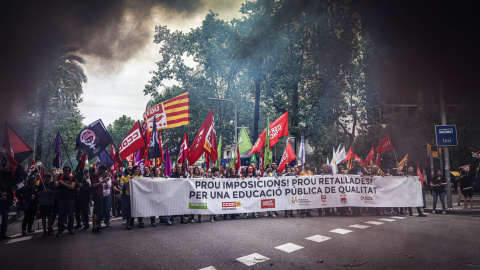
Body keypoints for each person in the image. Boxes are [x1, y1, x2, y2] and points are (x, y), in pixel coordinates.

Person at [53, 166, 77, 237]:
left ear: (69, 171)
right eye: (65, 170)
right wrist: (54, 178)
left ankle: (71, 229)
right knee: (61, 216)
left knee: (71, 215)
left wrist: (63, 183)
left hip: (70, 199)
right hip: (61, 199)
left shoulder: (72, 178)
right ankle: (60, 230)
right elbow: (55, 185)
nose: (66, 172)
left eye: (67, 170)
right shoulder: (60, 177)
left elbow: (72, 187)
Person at [90, 165, 108, 233]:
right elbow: (94, 185)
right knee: (96, 211)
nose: (103, 173)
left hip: (100, 194)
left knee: (98, 211)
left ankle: (97, 225)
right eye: (103, 171)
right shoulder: (95, 175)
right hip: (97, 194)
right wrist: (102, 181)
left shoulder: (98, 175)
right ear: (100, 169)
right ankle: (94, 227)